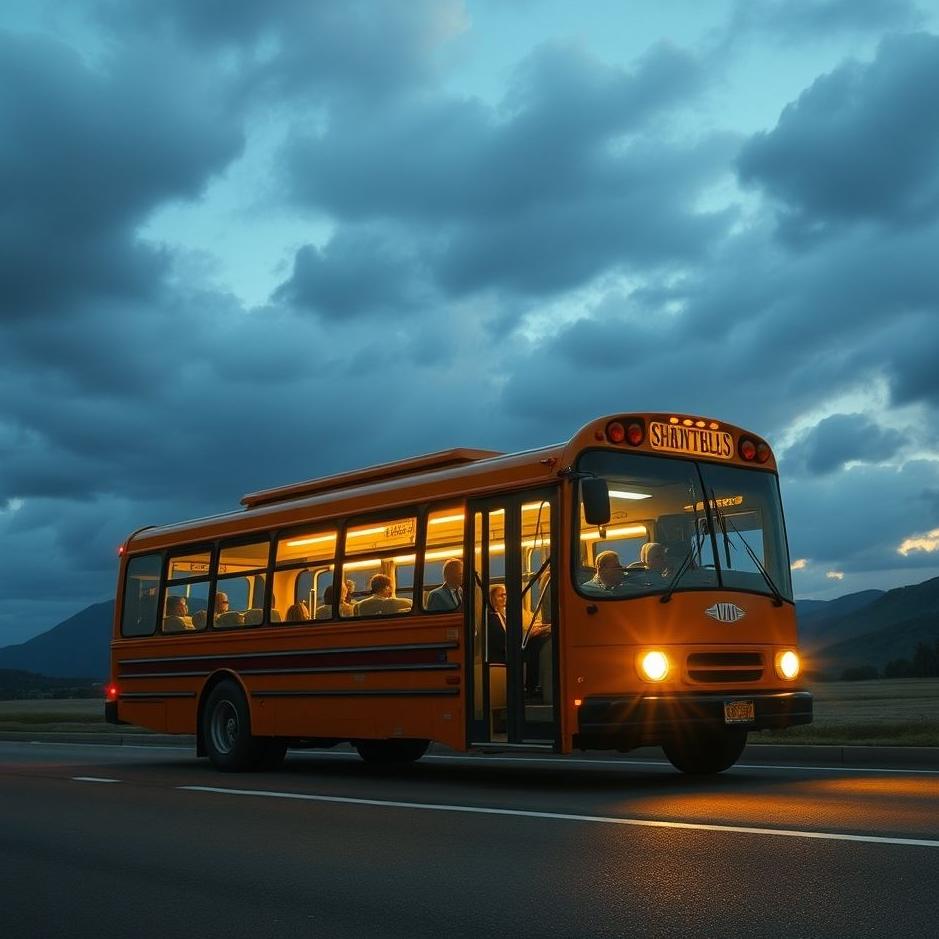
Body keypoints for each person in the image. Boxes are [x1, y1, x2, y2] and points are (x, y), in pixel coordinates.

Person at [486, 583, 507, 664]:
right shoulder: (493, 619)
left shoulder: (502, 615)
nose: (504, 597)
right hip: (499, 660)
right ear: (492, 599)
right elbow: (502, 642)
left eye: (505, 595)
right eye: (501, 595)